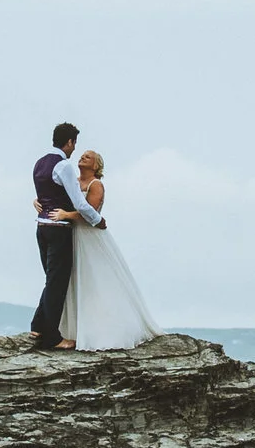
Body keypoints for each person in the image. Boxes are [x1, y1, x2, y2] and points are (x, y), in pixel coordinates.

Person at [56, 149, 159, 351]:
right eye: (82, 155)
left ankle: (103, 331)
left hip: (90, 238)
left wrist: (66, 214)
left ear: (96, 166)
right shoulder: (72, 181)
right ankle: (74, 330)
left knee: (96, 281)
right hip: (72, 236)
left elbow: (90, 212)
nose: (82, 157)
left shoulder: (96, 185)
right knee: (75, 281)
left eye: (88, 157)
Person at [29, 121, 104, 348]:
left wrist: (36, 203)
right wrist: (98, 220)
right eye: (74, 144)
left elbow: (43, 196)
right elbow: (80, 203)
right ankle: (52, 336)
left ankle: (37, 327)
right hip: (58, 229)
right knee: (57, 282)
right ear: (69, 142)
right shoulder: (63, 166)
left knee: (51, 279)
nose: (74, 150)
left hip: (41, 228)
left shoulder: (39, 163)